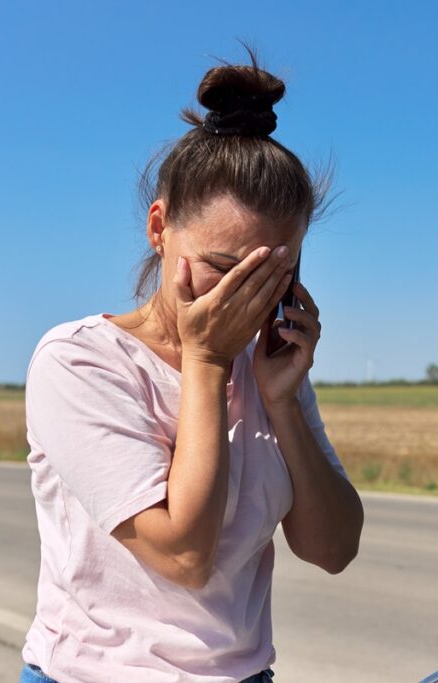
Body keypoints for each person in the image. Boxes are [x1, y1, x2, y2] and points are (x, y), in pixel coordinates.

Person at [19, 49, 364, 683]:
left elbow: (333, 550)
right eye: (225, 269)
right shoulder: (78, 362)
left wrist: (283, 401)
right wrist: (206, 363)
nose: (245, 297)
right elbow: (183, 554)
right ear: (159, 227)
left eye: (272, 274)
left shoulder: (268, 370)